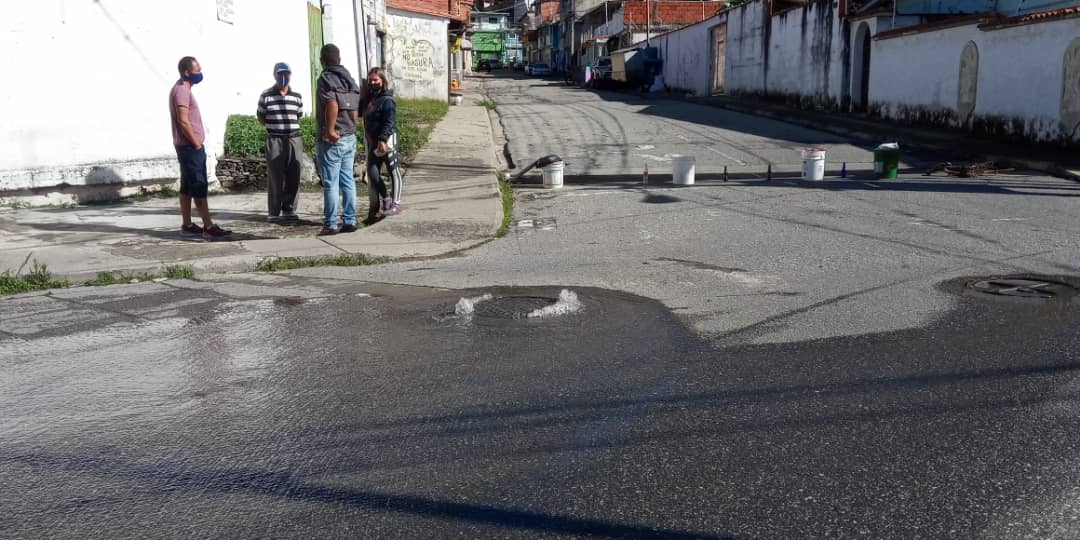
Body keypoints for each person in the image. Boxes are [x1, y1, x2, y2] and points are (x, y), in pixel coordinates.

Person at [169, 56, 231, 238]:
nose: (200, 73)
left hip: (186, 146)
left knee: (187, 186)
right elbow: (183, 120)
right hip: (189, 146)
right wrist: (196, 143)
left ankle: (187, 224)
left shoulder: (183, 89)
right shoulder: (181, 91)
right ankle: (208, 227)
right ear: (187, 72)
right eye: (197, 70)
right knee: (199, 185)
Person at [315, 44, 362, 236]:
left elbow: (332, 104)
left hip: (333, 139)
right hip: (349, 135)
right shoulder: (349, 79)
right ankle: (350, 221)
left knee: (331, 183)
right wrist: (352, 125)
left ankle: (331, 224)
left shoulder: (326, 78)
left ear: (322, 60)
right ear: (339, 59)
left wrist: (330, 130)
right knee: (348, 180)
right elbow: (355, 106)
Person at [257, 62, 304, 223]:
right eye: (280, 74)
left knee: (294, 174)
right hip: (275, 139)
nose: (283, 77)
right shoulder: (266, 95)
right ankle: (274, 212)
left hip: (294, 138)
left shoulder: (297, 97)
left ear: (290, 75)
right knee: (275, 176)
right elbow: (261, 117)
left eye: (286, 73)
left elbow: (298, 115)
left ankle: (289, 209)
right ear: (275, 75)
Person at [360, 67, 403, 220]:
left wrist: (382, 140)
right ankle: (386, 198)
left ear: (382, 82)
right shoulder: (367, 100)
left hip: (386, 142)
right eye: (370, 80)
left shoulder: (387, 100)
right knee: (372, 173)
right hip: (373, 143)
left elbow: (389, 122)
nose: (372, 83)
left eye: (375, 80)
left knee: (394, 171)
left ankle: (396, 204)